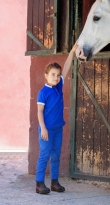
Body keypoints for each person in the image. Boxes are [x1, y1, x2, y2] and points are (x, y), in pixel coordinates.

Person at [35, 41, 78, 194]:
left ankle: (54, 182)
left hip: (58, 129)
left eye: (58, 75)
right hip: (46, 130)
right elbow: (40, 112)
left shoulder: (59, 86)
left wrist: (72, 52)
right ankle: (39, 183)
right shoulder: (43, 92)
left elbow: (66, 67)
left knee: (56, 155)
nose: (56, 77)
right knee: (44, 155)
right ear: (46, 75)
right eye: (53, 75)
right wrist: (43, 129)